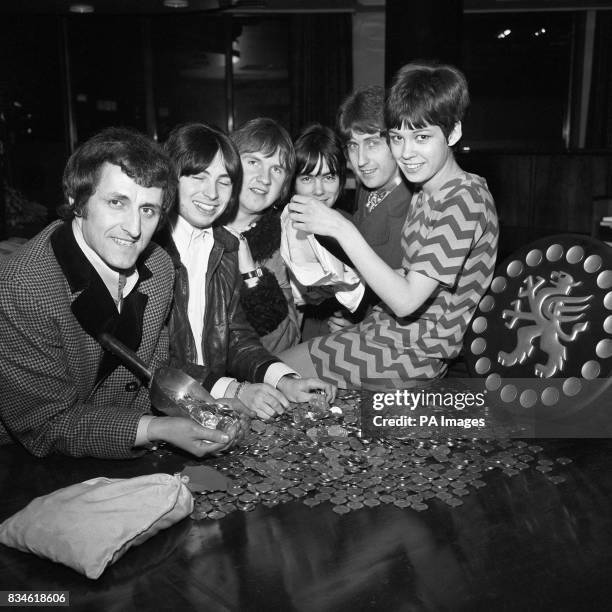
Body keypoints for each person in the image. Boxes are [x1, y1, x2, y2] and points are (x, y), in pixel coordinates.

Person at [0, 127, 242, 459]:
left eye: (148, 210)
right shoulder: (24, 286)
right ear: (77, 200)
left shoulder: (156, 264)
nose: (134, 228)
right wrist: (155, 430)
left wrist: (204, 405)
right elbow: (45, 425)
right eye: (117, 202)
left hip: (118, 446)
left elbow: (151, 368)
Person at [281, 62, 499, 388]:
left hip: (410, 354)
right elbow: (408, 275)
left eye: (422, 137)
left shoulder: (463, 199)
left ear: (453, 133)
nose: (407, 153)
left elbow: (407, 300)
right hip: (387, 334)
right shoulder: (431, 189)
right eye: (397, 138)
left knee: (274, 374)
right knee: (273, 372)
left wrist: (341, 229)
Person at [157, 122, 335, 420]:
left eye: (277, 170)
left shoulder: (264, 243)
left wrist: (284, 380)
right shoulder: (153, 246)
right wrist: (235, 390)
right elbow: (158, 355)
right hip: (167, 407)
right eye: (253, 161)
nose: (211, 192)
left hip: (218, 398)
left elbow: (245, 336)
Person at [315, 85, 413, 332]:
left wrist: (358, 326)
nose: (360, 161)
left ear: (396, 141)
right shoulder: (369, 188)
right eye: (352, 145)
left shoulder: (413, 205)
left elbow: (403, 299)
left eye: (372, 143)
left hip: (388, 334)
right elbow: (364, 230)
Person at [225, 118, 300, 355]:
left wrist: (252, 278)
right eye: (253, 162)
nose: (265, 178)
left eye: (276, 169)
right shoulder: (194, 227)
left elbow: (286, 343)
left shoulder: (282, 247)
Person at [279, 123, 364, 314]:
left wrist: (351, 321)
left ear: (341, 180)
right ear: (292, 182)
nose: (319, 191)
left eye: (329, 177)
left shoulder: (351, 226)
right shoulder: (279, 229)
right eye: (307, 179)